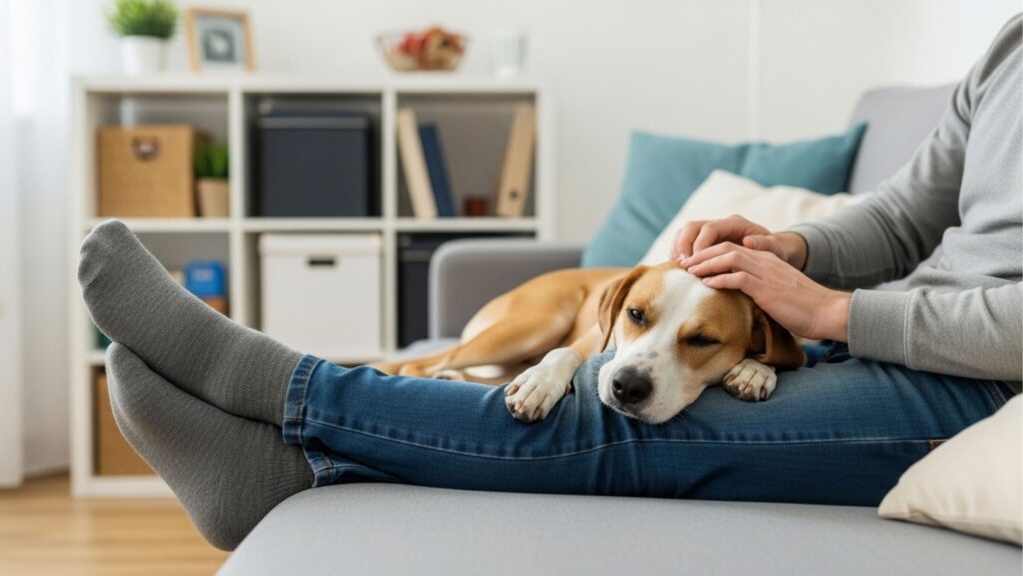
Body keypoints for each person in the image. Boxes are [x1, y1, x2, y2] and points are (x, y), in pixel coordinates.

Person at [79, 16, 1020, 551]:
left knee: (618, 425)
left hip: (979, 386)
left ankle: (280, 391)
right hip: (887, 334)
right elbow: (904, 216)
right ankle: (291, 462)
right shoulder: (1007, 46)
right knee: (600, 391)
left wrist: (838, 313)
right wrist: (792, 247)